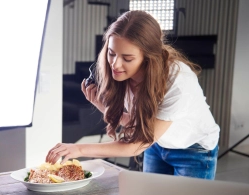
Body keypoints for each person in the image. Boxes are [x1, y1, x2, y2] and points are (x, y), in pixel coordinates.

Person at [46, 10, 220, 180]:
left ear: (148, 57)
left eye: (127, 58)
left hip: (193, 150)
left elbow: (136, 145)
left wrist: (79, 149)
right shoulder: (123, 76)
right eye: (111, 53)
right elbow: (141, 124)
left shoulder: (177, 82)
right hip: (157, 144)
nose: (115, 64)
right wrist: (104, 107)